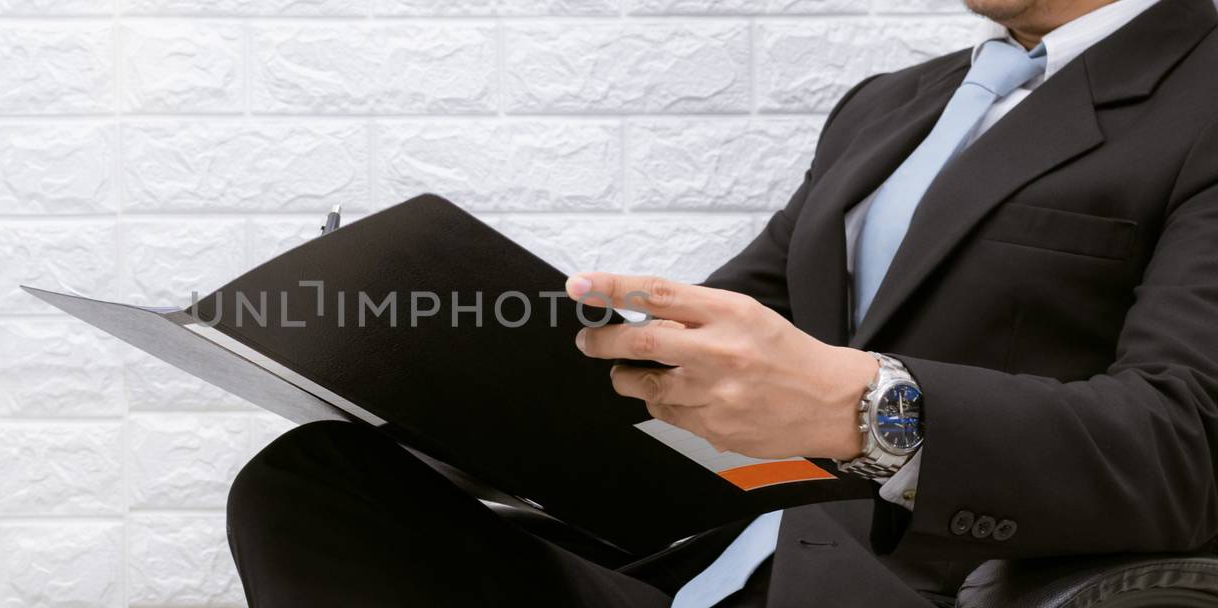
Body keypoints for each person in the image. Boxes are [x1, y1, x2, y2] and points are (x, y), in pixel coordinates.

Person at [224, 0, 1218, 605]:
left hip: (902, 583)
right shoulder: (892, 105)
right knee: (315, 478)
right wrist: (450, 348)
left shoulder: (1200, 95)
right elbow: (738, 320)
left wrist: (862, 407)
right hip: (710, 560)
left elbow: (1181, 447)